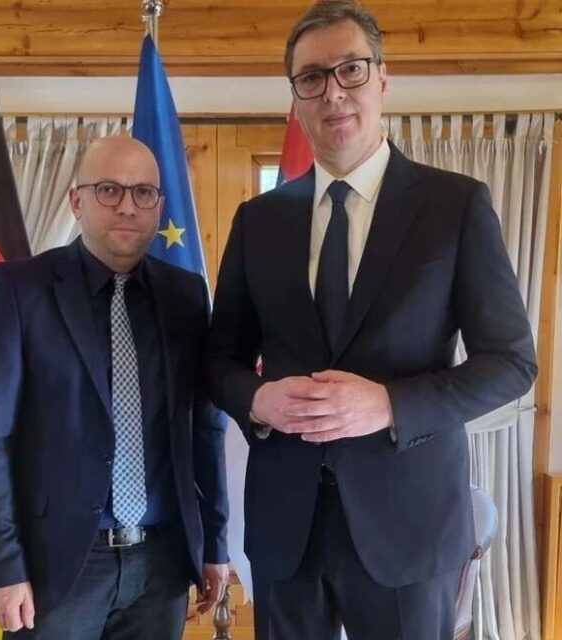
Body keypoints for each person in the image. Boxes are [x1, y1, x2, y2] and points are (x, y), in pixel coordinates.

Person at [207, 2, 537, 639]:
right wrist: (258, 399)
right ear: (296, 98)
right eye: (312, 77)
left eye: (350, 70)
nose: (333, 92)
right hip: (285, 527)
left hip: (410, 525)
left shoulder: (455, 205)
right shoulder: (259, 221)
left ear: (382, 79)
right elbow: (219, 360)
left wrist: (389, 404)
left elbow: (511, 363)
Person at [0, 136, 229, 639]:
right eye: (109, 189)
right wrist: (1, 565)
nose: (127, 206)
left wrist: (214, 543)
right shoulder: (19, 291)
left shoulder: (186, 296)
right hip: (58, 565)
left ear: (159, 207)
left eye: (143, 192)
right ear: (76, 201)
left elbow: (205, 429)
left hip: (162, 563)